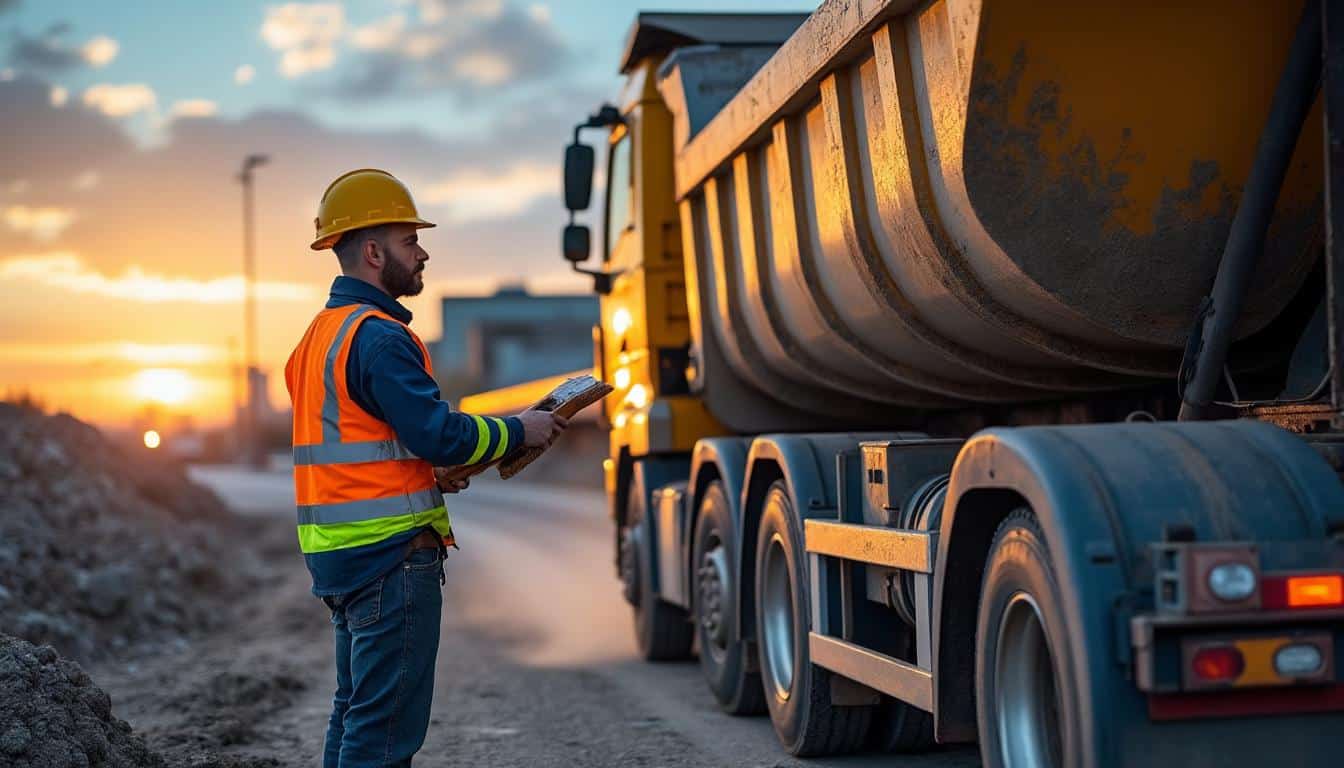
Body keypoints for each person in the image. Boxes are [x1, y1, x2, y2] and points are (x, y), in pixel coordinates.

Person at [285, 168, 567, 766]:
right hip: (389, 560)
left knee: (355, 712)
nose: (423, 252)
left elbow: (365, 445)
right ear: (371, 251)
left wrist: (431, 476)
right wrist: (521, 428)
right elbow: (439, 433)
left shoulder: (317, 338)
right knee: (384, 734)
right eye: (410, 241)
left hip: (341, 559)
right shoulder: (381, 339)